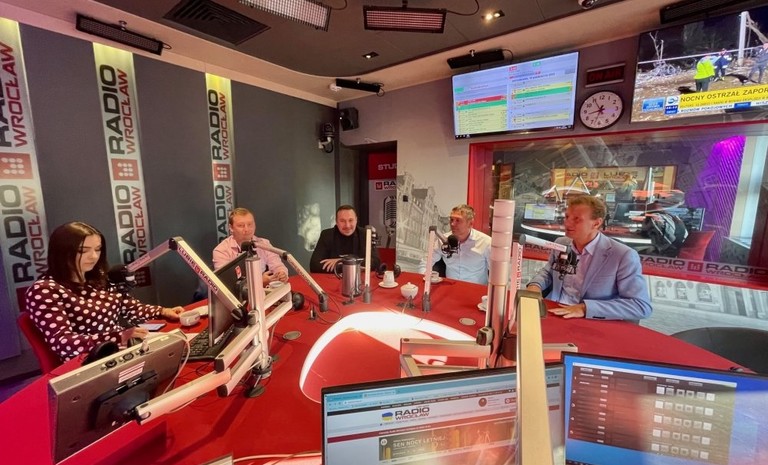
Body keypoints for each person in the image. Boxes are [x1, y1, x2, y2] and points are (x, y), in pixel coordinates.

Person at [24, 222, 185, 362]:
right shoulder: (44, 290)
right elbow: (63, 342)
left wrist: (162, 311)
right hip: (88, 361)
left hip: (121, 351)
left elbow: (130, 308)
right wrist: (118, 337)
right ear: (62, 252)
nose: (93, 256)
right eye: (83, 251)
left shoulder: (99, 278)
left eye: (98, 249)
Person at [526, 196, 652, 321]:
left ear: (596, 223)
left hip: (590, 320)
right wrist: (535, 285)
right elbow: (549, 272)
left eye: (577, 219)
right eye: (567, 217)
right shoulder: (561, 243)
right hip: (553, 311)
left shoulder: (623, 255)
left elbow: (640, 306)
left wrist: (585, 308)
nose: (567, 223)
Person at [213, 208, 289, 286]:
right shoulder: (221, 250)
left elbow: (277, 265)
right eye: (241, 225)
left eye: (250, 224)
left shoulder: (263, 244)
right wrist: (259, 281)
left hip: (265, 290)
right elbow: (226, 283)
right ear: (231, 228)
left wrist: (281, 273)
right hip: (238, 292)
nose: (247, 229)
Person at [421, 204, 491, 285]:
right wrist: (425, 281)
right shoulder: (443, 240)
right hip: (450, 287)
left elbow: (496, 273)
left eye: (458, 220)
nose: (452, 224)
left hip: (476, 289)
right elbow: (425, 263)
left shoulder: (486, 242)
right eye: (451, 219)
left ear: (470, 223)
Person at [309, 205, 381, 273]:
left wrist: (341, 261)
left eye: (351, 220)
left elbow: (375, 262)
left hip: (360, 279)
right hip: (333, 279)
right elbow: (314, 265)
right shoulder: (327, 235)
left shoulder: (365, 234)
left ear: (356, 220)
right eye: (342, 221)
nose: (347, 225)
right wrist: (355, 266)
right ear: (336, 222)